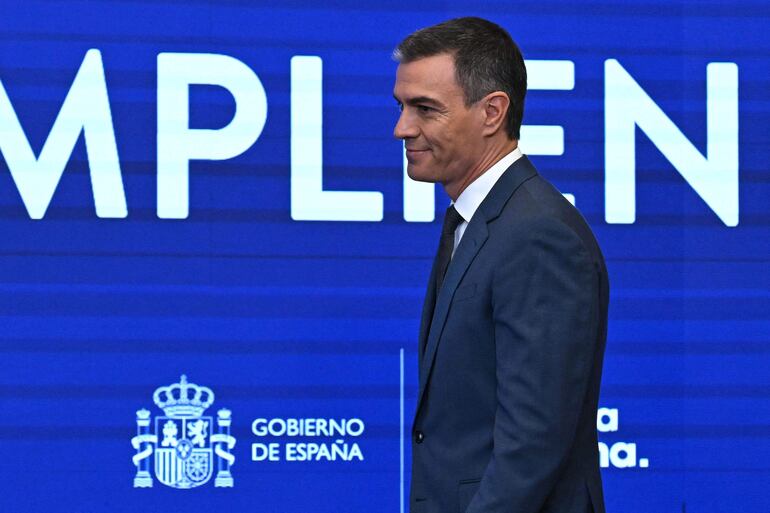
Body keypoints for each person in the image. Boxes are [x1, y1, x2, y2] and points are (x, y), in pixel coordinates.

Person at [392, 17, 609, 513]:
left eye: (425, 108)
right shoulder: (479, 220)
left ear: (492, 112)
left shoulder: (536, 235)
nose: (402, 127)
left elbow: (531, 447)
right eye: (402, 106)